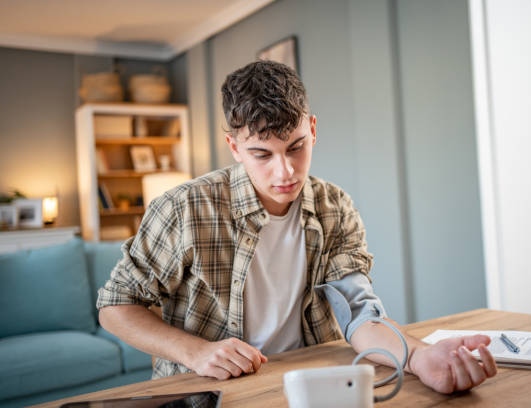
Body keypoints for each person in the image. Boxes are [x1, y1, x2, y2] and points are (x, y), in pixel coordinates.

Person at [98, 60, 497, 394]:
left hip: (308, 385)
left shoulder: (334, 206)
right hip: (204, 392)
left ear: (313, 129)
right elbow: (115, 307)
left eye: (296, 146)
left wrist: (420, 357)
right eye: (262, 154)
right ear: (234, 146)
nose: (285, 172)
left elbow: (359, 311)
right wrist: (196, 352)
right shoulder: (182, 208)